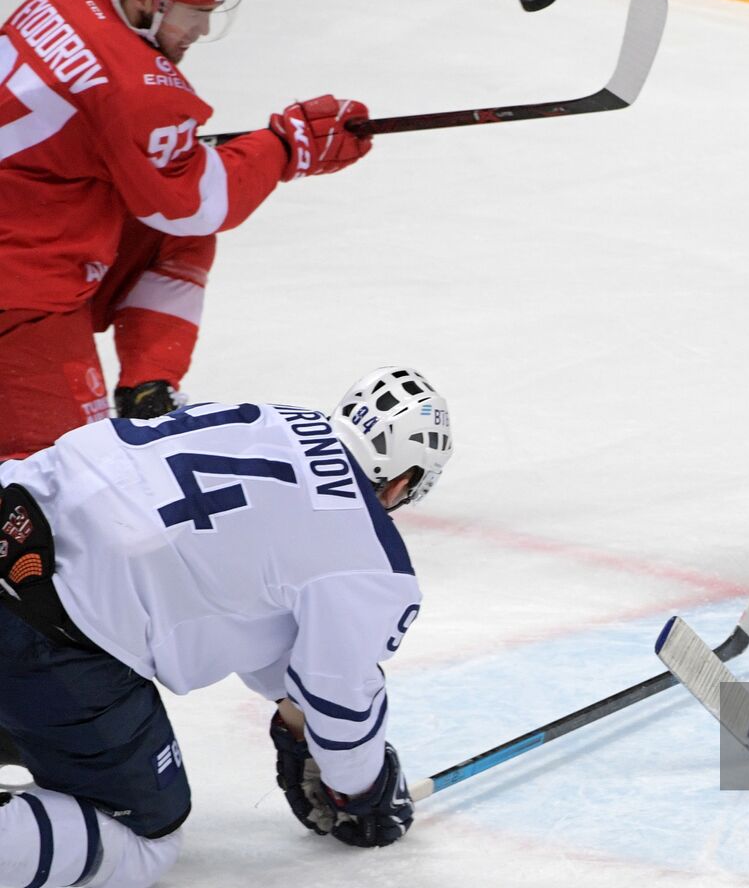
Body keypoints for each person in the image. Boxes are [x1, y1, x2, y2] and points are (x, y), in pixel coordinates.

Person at [0, 366, 453, 888]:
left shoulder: (267, 419)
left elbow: (258, 615)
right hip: (43, 624)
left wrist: (298, 724)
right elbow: (340, 693)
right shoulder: (369, 557)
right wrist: (363, 791)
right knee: (137, 834)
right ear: (404, 481)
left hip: (14, 512)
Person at [0, 0, 373, 458]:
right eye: (190, 10)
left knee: (174, 237)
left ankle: (147, 388)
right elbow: (196, 200)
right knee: (70, 476)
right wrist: (289, 146)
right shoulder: (139, 90)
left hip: (26, 209)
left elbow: (118, 144)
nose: (200, 28)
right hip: (19, 290)